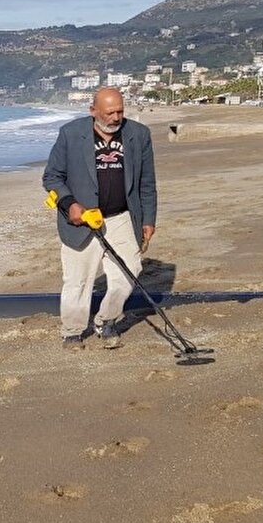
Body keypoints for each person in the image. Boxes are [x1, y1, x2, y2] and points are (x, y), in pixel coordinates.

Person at [42, 87, 157, 350]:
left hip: (122, 218)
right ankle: (72, 331)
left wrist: (148, 219)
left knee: (128, 274)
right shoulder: (71, 135)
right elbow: (51, 177)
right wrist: (69, 203)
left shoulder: (139, 136)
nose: (116, 117)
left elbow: (147, 183)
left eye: (120, 111)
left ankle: (106, 321)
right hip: (81, 221)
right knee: (78, 280)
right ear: (92, 111)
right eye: (110, 112)